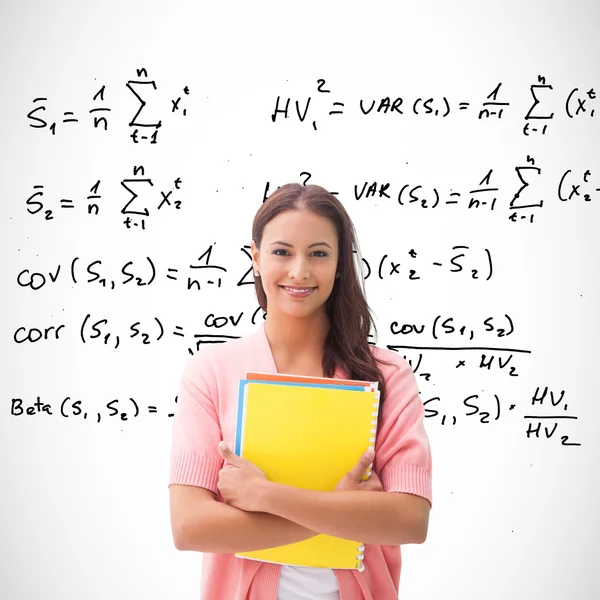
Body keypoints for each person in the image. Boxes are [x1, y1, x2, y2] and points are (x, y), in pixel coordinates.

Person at [168, 183, 433, 600]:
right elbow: (189, 527)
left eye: (319, 253)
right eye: (281, 252)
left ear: (341, 264)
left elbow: (409, 520)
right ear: (255, 259)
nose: (299, 271)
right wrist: (342, 509)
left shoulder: (387, 374)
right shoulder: (211, 372)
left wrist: (265, 496)